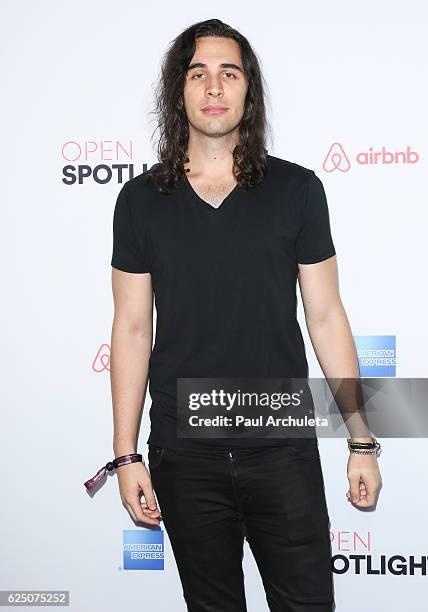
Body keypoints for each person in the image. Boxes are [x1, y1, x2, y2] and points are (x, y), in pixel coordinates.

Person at [109, 18, 382, 612]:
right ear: (177, 91)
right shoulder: (139, 201)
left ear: (247, 89)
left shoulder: (297, 190)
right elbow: (132, 329)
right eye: (198, 73)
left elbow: (327, 316)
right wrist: (126, 454)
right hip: (185, 457)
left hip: (281, 450)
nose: (213, 87)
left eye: (228, 73)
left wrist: (361, 439)